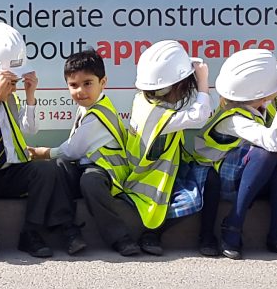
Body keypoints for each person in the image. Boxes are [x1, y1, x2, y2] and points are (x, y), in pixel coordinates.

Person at [0, 23, 80, 261]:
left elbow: (29, 128)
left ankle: (30, 232)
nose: (15, 88)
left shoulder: (10, 100)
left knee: (46, 169)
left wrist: (30, 97)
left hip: (12, 172)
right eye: (13, 83)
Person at [78, 41, 214, 256]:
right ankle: (152, 234)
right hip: (148, 181)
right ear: (174, 86)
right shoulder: (161, 117)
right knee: (193, 200)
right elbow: (200, 114)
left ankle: (152, 235)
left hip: (146, 171)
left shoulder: (142, 100)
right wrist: (204, 80)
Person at [204, 49, 277, 260]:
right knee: (266, 154)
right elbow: (272, 143)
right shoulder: (233, 118)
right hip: (225, 183)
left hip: (251, 180)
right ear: (261, 94)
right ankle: (233, 225)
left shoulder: (263, 109)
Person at [30, 50, 128, 255]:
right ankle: (69, 231)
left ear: (103, 82)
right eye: (73, 85)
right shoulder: (87, 107)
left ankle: (121, 238)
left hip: (107, 173)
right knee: (57, 169)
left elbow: (72, 150)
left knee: (88, 180)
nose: (80, 91)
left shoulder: (97, 114)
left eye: (87, 83)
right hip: (87, 167)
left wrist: (43, 152)